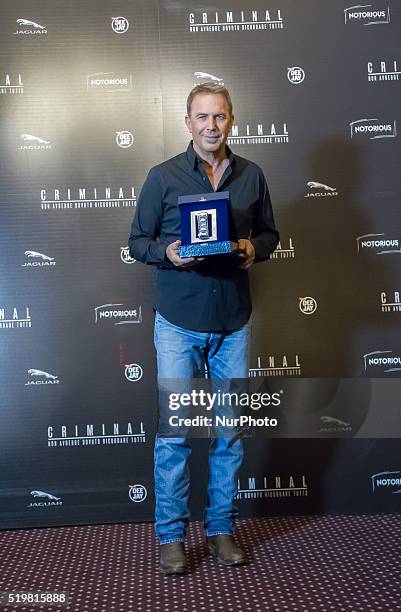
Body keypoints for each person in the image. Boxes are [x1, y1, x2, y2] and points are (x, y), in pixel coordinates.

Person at [128, 82, 279, 574]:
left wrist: (255, 248)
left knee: (229, 434)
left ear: (231, 120)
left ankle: (220, 530)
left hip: (233, 321)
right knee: (174, 434)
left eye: (220, 117)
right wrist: (168, 253)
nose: (211, 126)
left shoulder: (252, 175)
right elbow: (137, 242)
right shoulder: (162, 177)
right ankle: (171, 536)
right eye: (202, 117)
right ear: (188, 122)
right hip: (178, 322)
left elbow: (269, 233)